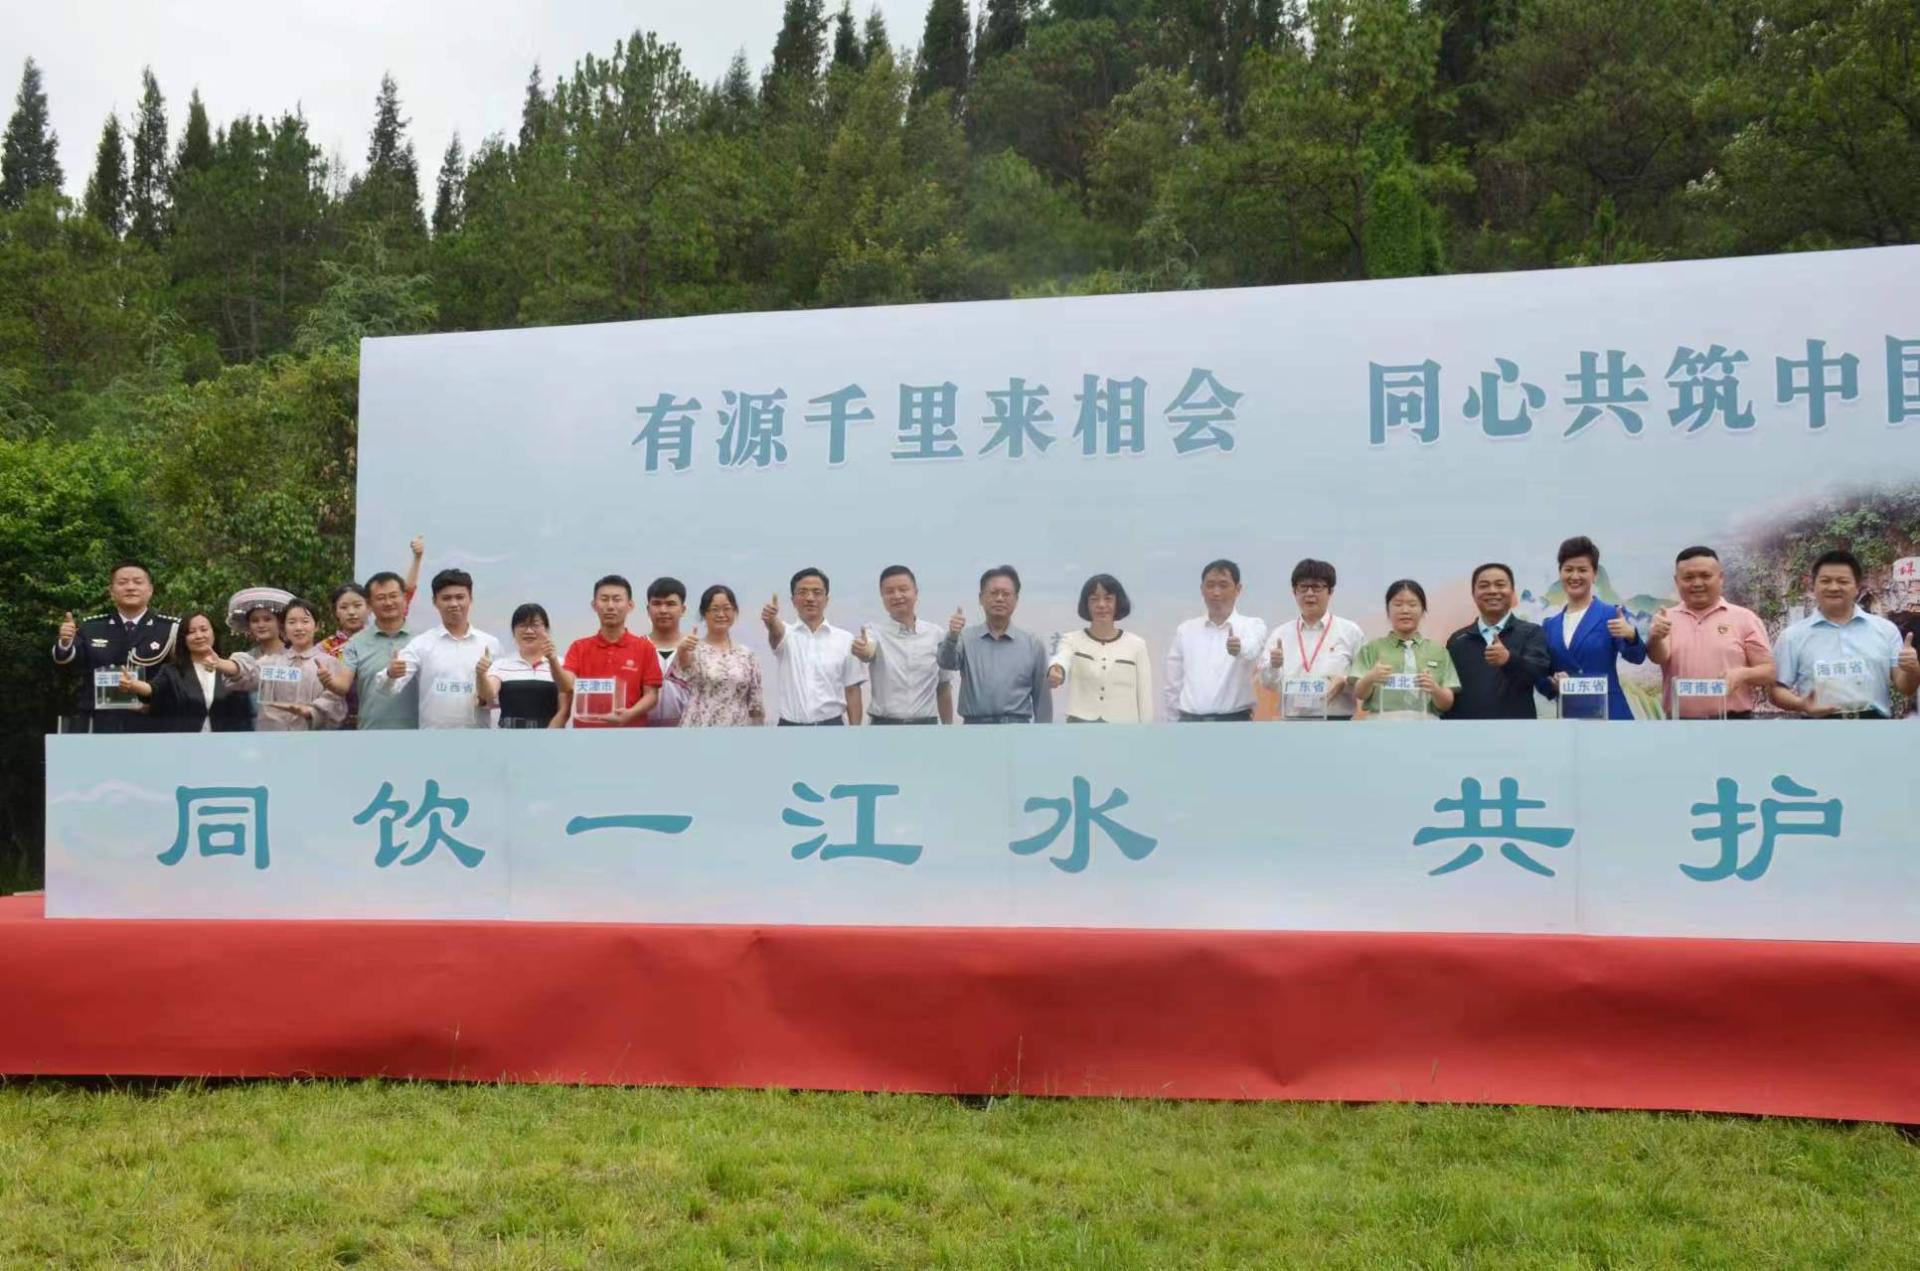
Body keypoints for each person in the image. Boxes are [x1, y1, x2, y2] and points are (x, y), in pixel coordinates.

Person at [1770, 548, 1920, 719]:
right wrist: (1802, 704)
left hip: (1875, 726)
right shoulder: (1792, 636)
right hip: (1817, 727)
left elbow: (1906, 688)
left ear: (1857, 587)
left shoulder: (1886, 630)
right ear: (1813, 586)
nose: (1834, 587)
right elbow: (1775, 689)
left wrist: (1913, 669)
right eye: (1825, 581)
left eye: (1843, 581)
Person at [51, 559, 180, 733]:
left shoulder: (170, 629)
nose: (130, 587)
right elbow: (68, 664)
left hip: (153, 721)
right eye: (122, 582)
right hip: (101, 723)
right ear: (111, 592)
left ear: (150, 590)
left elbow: (181, 675)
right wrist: (65, 643)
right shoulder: (91, 627)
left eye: (138, 582)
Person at [1647, 546, 1775, 719]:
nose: (1697, 583)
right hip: (1680, 723)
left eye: (1705, 576)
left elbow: (1769, 672)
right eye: (1688, 577)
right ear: (1677, 581)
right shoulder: (1666, 618)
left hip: (1734, 722)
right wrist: (1655, 638)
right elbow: (1659, 657)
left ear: (1720, 578)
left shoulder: (1745, 618)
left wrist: (1742, 674)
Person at [382, 568, 505, 729]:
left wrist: (485, 696)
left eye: (460, 597)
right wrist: (391, 674)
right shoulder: (421, 644)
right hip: (433, 738)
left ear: (470, 599)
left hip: (479, 737)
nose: (454, 604)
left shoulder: (490, 644)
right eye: (446, 598)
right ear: (435, 601)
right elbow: (388, 689)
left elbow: (501, 698)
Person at [1540, 536, 1646, 720]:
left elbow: (1637, 657)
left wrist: (1631, 635)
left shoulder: (1612, 613)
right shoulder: (1550, 625)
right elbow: (1542, 676)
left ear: (1595, 574)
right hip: (1570, 717)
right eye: (1568, 570)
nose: (1575, 576)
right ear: (1560, 573)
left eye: (1582, 570)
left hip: (1612, 715)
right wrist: (1553, 683)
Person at [938, 565, 1052, 724]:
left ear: (1016, 599)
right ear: (981, 598)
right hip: (975, 728)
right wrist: (952, 636)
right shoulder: (965, 638)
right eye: (993, 593)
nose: (999, 598)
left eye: (1006, 594)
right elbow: (946, 663)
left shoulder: (1032, 644)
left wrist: (1044, 732)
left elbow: (1042, 698)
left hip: (1017, 727)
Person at [1258, 558, 1365, 720]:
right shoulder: (1280, 634)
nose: (1309, 593)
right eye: (1303, 587)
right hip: (1292, 722)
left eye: (1316, 587)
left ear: (1330, 591)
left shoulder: (1350, 631)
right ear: (1294, 592)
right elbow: (1268, 684)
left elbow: (1365, 678)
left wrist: (1345, 681)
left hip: (1336, 722)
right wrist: (1274, 666)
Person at [1444, 563, 1553, 719]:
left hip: (1517, 730)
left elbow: (1538, 673)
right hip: (1467, 731)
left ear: (1512, 592)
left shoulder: (1531, 633)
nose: (1493, 591)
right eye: (1484, 586)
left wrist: (1509, 659)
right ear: (1473, 594)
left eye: (1500, 585)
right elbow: (1449, 690)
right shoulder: (1458, 640)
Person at [117, 610, 254, 732]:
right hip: (184, 743)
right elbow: (153, 690)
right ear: (184, 638)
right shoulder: (172, 671)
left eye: (204, 629)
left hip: (224, 743)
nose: (198, 635)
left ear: (214, 633)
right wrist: (134, 685)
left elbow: (243, 709)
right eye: (191, 632)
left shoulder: (228, 668)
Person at [1165, 559, 1269, 721]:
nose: (1216, 592)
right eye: (1210, 585)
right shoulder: (1185, 630)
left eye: (1223, 585)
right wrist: (1172, 723)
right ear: (1202, 589)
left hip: (1235, 720)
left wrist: (1239, 648)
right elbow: (1173, 684)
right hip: (1190, 721)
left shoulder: (1253, 625)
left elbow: (1253, 649)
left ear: (1238, 589)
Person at [851, 565, 955, 725]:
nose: (897, 595)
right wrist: (863, 650)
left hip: (926, 725)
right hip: (884, 726)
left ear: (916, 592)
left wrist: (949, 728)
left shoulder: (936, 634)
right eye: (889, 591)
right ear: (882, 596)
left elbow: (944, 686)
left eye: (903, 589)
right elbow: (867, 651)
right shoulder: (873, 631)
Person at [763, 567, 867, 726]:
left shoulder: (845, 640)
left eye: (817, 592)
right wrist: (770, 620)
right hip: (789, 727)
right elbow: (775, 631)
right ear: (793, 600)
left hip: (831, 726)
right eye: (802, 592)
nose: (810, 598)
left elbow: (852, 691)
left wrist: (856, 732)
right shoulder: (785, 635)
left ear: (826, 599)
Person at [1047, 573, 1154, 723]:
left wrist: (1147, 731)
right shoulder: (1070, 640)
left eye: (1108, 599)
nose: (1101, 605)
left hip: (1124, 727)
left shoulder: (1137, 645)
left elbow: (1145, 697)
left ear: (1118, 603)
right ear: (1086, 604)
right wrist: (1056, 669)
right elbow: (1061, 657)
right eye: (1094, 599)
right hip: (1080, 726)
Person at [562, 575, 664, 727]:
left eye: (617, 599)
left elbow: (652, 695)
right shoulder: (579, 647)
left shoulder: (645, 648)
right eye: (604, 599)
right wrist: (552, 659)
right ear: (594, 605)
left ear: (630, 605)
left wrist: (629, 714)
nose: (610, 606)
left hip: (630, 734)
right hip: (585, 735)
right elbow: (567, 684)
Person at [233, 598, 347, 732]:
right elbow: (247, 672)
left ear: (317, 626)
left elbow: (335, 699)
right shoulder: (270, 662)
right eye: (292, 622)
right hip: (271, 737)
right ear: (284, 628)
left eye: (305, 621)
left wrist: (311, 711)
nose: (298, 627)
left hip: (311, 739)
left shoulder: (330, 663)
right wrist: (222, 663)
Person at [1351, 580, 1460, 719]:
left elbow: (1447, 704)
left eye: (1412, 604)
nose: (1405, 610)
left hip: (1426, 722)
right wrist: (1371, 677)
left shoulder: (1439, 651)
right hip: (1381, 722)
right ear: (1388, 611)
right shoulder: (1371, 649)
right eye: (1398, 604)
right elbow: (1359, 693)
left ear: (1423, 610)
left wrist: (1434, 688)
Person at [330, 570, 419, 730]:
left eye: (393, 596)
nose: (388, 602)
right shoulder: (356, 643)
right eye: (381, 598)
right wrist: (328, 681)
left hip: (416, 733)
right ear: (370, 605)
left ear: (405, 598)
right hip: (370, 732)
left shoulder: (422, 641)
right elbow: (343, 685)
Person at [679, 585, 767, 727]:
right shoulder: (692, 650)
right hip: (699, 729)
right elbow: (682, 670)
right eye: (714, 609)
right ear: (704, 613)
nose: (721, 614)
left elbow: (756, 703)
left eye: (727, 608)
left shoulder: (747, 655)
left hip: (738, 731)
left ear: (735, 612)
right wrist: (682, 651)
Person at [480, 602, 575, 728]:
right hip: (509, 735)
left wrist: (552, 660)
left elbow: (565, 708)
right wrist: (480, 674)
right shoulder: (501, 665)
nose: (529, 631)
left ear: (546, 629)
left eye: (535, 625)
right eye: (522, 625)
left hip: (550, 733)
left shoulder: (561, 664)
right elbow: (488, 695)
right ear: (513, 631)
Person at [644, 576, 691, 726]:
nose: (663, 610)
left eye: (670, 604)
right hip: (641, 729)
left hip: (687, 729)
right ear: (648, 609)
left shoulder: (695, 649)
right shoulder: (635, 648)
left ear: (683, 610)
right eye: (656, 604)